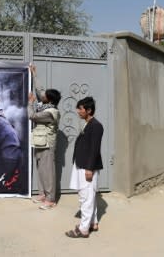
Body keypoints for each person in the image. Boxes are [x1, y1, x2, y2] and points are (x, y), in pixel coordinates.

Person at [65, 96, 103, 238]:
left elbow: (95, 149)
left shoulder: (96, 126)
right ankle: (93, 222)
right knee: (86, 196)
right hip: (81, 164)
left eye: (80, 108)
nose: (77, 111)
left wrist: (89, 168)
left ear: (89, 110)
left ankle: (83, 229)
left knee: (86, 197)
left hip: (87, 166)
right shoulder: (88, 123)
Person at [28, 74, 61, 210]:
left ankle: (50, 199)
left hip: (47, 144)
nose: (42, 96)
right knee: (41, 170)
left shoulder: (50, 112)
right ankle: (43, 194)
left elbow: (32, 116)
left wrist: (30, 102)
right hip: (40, 142)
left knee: (48, 171)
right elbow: (40, 90)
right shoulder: (45, 105)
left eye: (45, 95)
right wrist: (35, 73)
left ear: (49, 99)